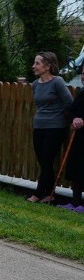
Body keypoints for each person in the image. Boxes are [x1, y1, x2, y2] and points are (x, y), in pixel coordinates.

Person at [27, 51, 74, 203]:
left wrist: (64, 119)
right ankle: (50, 195)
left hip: (55, 128)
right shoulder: (35, 84)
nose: (33, 66)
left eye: (37, 63)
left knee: (47, 161)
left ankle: (37, 194)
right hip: (39, 126)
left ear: (47, 66)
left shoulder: (57, 82)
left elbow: (69, 103)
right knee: (44, 163)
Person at [59, 67, 83, 212]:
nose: (83, 77)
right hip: (79, 137)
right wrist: (74, 119)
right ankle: (75, 202)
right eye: (83, 74)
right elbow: (70, 110)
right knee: (76, 169)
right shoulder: (81, 93)